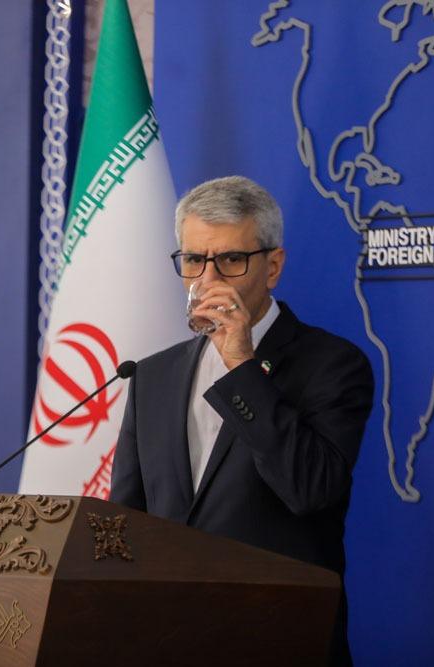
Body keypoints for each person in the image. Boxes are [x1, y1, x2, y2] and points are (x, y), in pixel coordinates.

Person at [110, 175, 374, 666]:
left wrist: (241, 365)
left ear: (272, 267)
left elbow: (309, 489)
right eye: (194, 260)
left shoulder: (334, 365)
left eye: (231, 260)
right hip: (167, 639)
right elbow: (126, 519)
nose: (208, 279)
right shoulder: (151, 375)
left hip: (279, 638)